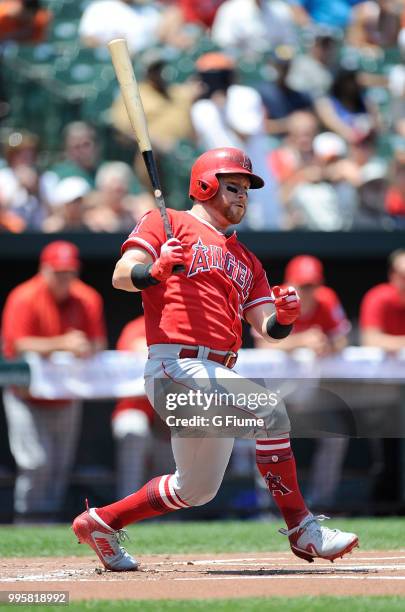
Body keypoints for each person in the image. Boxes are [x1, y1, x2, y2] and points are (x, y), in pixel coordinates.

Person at [72, 146, 358, 571]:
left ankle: (100, 522)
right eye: (233, 186)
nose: (242, 196)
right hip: (176, 367)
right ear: (204, 185)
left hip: (215, 375)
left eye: (246, 189)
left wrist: (286, 318)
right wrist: (154, 270)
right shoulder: (167, 224)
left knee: (196, 489)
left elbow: (267, 327)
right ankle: (302, 527)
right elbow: (120, 274)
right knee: (269, 409)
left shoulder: (247, 260)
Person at [1, 241, 107, 522]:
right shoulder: (24, 296)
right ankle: (28, 522)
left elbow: (99, 342)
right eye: (58, 272)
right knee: (35, 463)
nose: (64, 278)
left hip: (64, 394)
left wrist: (86, 347)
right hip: (26, 394)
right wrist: (63, 343)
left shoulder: (87, 297)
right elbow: (17, 345)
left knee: (60, 467)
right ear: (44, 270)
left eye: (69, 272)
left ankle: (46, 524)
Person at [254, 255, 351, 509]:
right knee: (266, 438)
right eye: (302, 285)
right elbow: (262, 343)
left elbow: (342, 339)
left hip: (309, 396)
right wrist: (303, 340)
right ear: (290, 283)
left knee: (336, 436)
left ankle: (322, 501)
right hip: (275, 393)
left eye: (312, 286)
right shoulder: (276, 299)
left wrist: (327, 345)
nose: (307, 292)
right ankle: (266, 505)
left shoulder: (327, 299)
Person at [112, 314, 174, 498]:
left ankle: (170, 512)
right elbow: (130, 351)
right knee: (133, 429)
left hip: (170, 412)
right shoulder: (137, 327)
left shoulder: (184, 324)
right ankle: (127, 504)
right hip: (136, 407)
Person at [360, 248, 405, 350]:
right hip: (386, 363)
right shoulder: (378, 297)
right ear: (392, 275)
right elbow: (370, 341)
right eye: (403, 275)